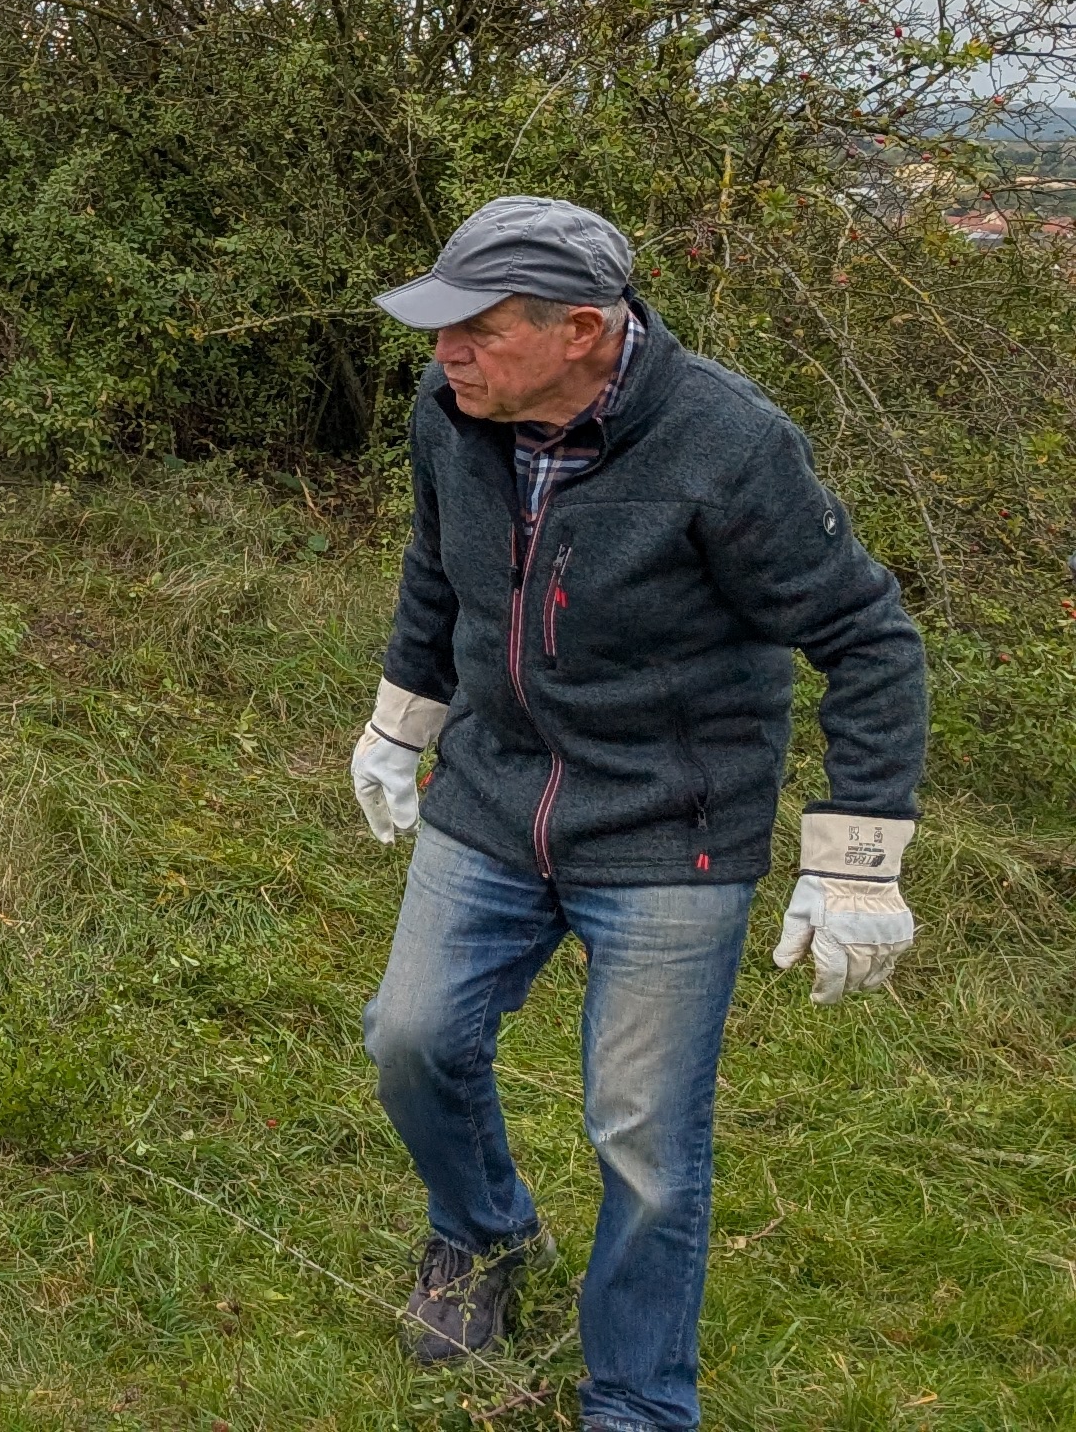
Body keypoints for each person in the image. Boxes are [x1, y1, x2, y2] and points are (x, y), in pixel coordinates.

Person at [351, 195, 926, 1430]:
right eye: (440, 329)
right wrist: (404, 716)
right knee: (410, 1040)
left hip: (674, 825)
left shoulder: (727, 444)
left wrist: (860, 860)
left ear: (583, 330)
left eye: (477, 330)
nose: (445, 353)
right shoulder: (451, 411)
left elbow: (868, 637)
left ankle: (636, 1400)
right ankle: (485, 1236)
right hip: (496, 792)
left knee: (644, 1135)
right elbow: (436, 567)